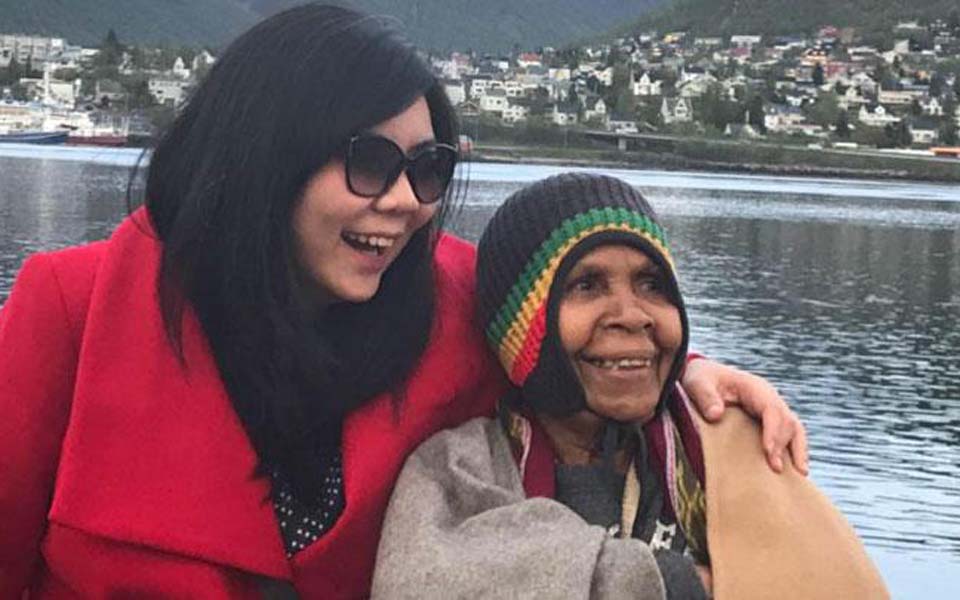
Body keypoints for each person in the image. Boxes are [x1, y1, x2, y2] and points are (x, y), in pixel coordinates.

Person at [0, 5, 805, 598]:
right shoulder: (73, 308)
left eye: (427, 169)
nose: (403, 202)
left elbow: (585, 325)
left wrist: (691, 371)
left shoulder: (449, 302)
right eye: (369, 160)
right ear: (264, 155)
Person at [372, 173, 888, 599]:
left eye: (652, 284)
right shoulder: (458, 470)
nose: (632, 315)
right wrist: (686, 586)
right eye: (586, 285)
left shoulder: (733, 453)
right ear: (521, 329)